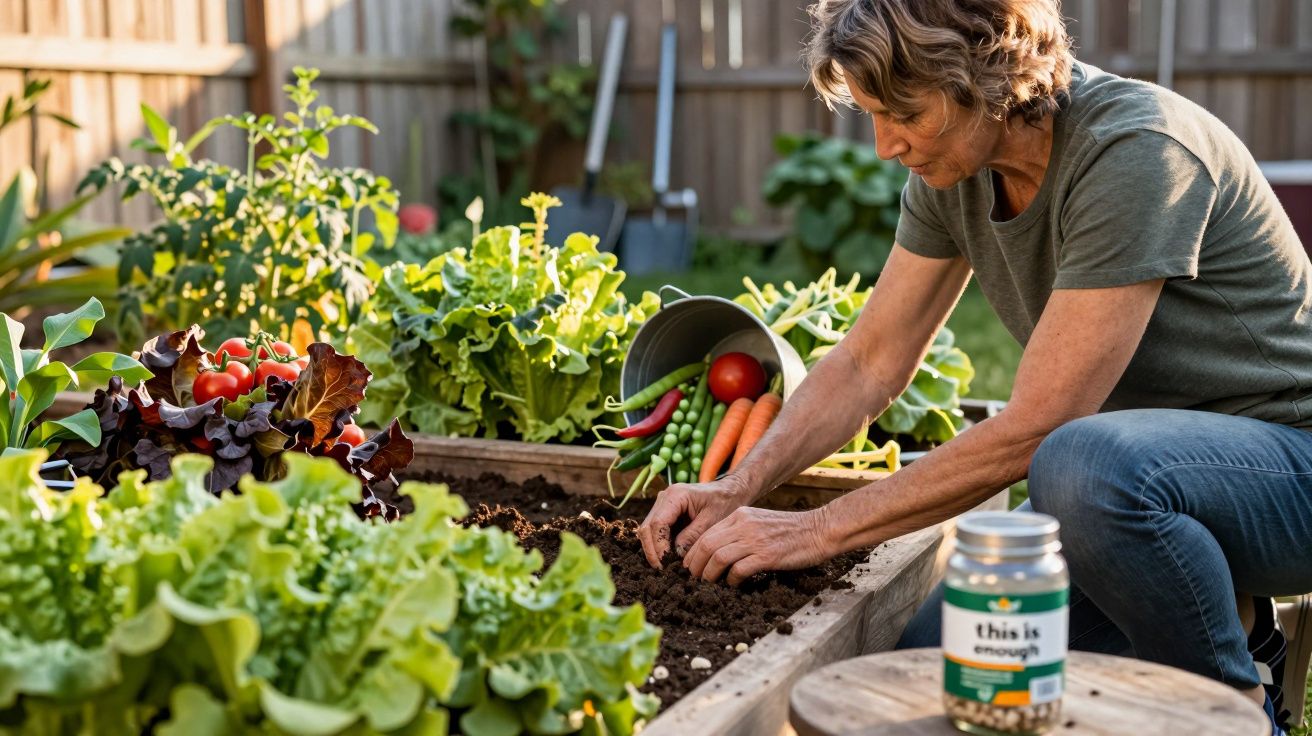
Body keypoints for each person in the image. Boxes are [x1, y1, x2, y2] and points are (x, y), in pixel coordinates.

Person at [634, 0, 1312, 732]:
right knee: (931, 684)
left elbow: (1040, 427)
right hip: (1148, 485)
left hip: (1286, 465)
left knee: (1079, 462)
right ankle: (1227, 616)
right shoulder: (952, 173)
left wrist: (813, 530)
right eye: (871, 114)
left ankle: (1236, 709)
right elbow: (869, 362)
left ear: (984, 76)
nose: (885, 145)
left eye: (904, 114)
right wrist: (739, 486)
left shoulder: (1138, 150)